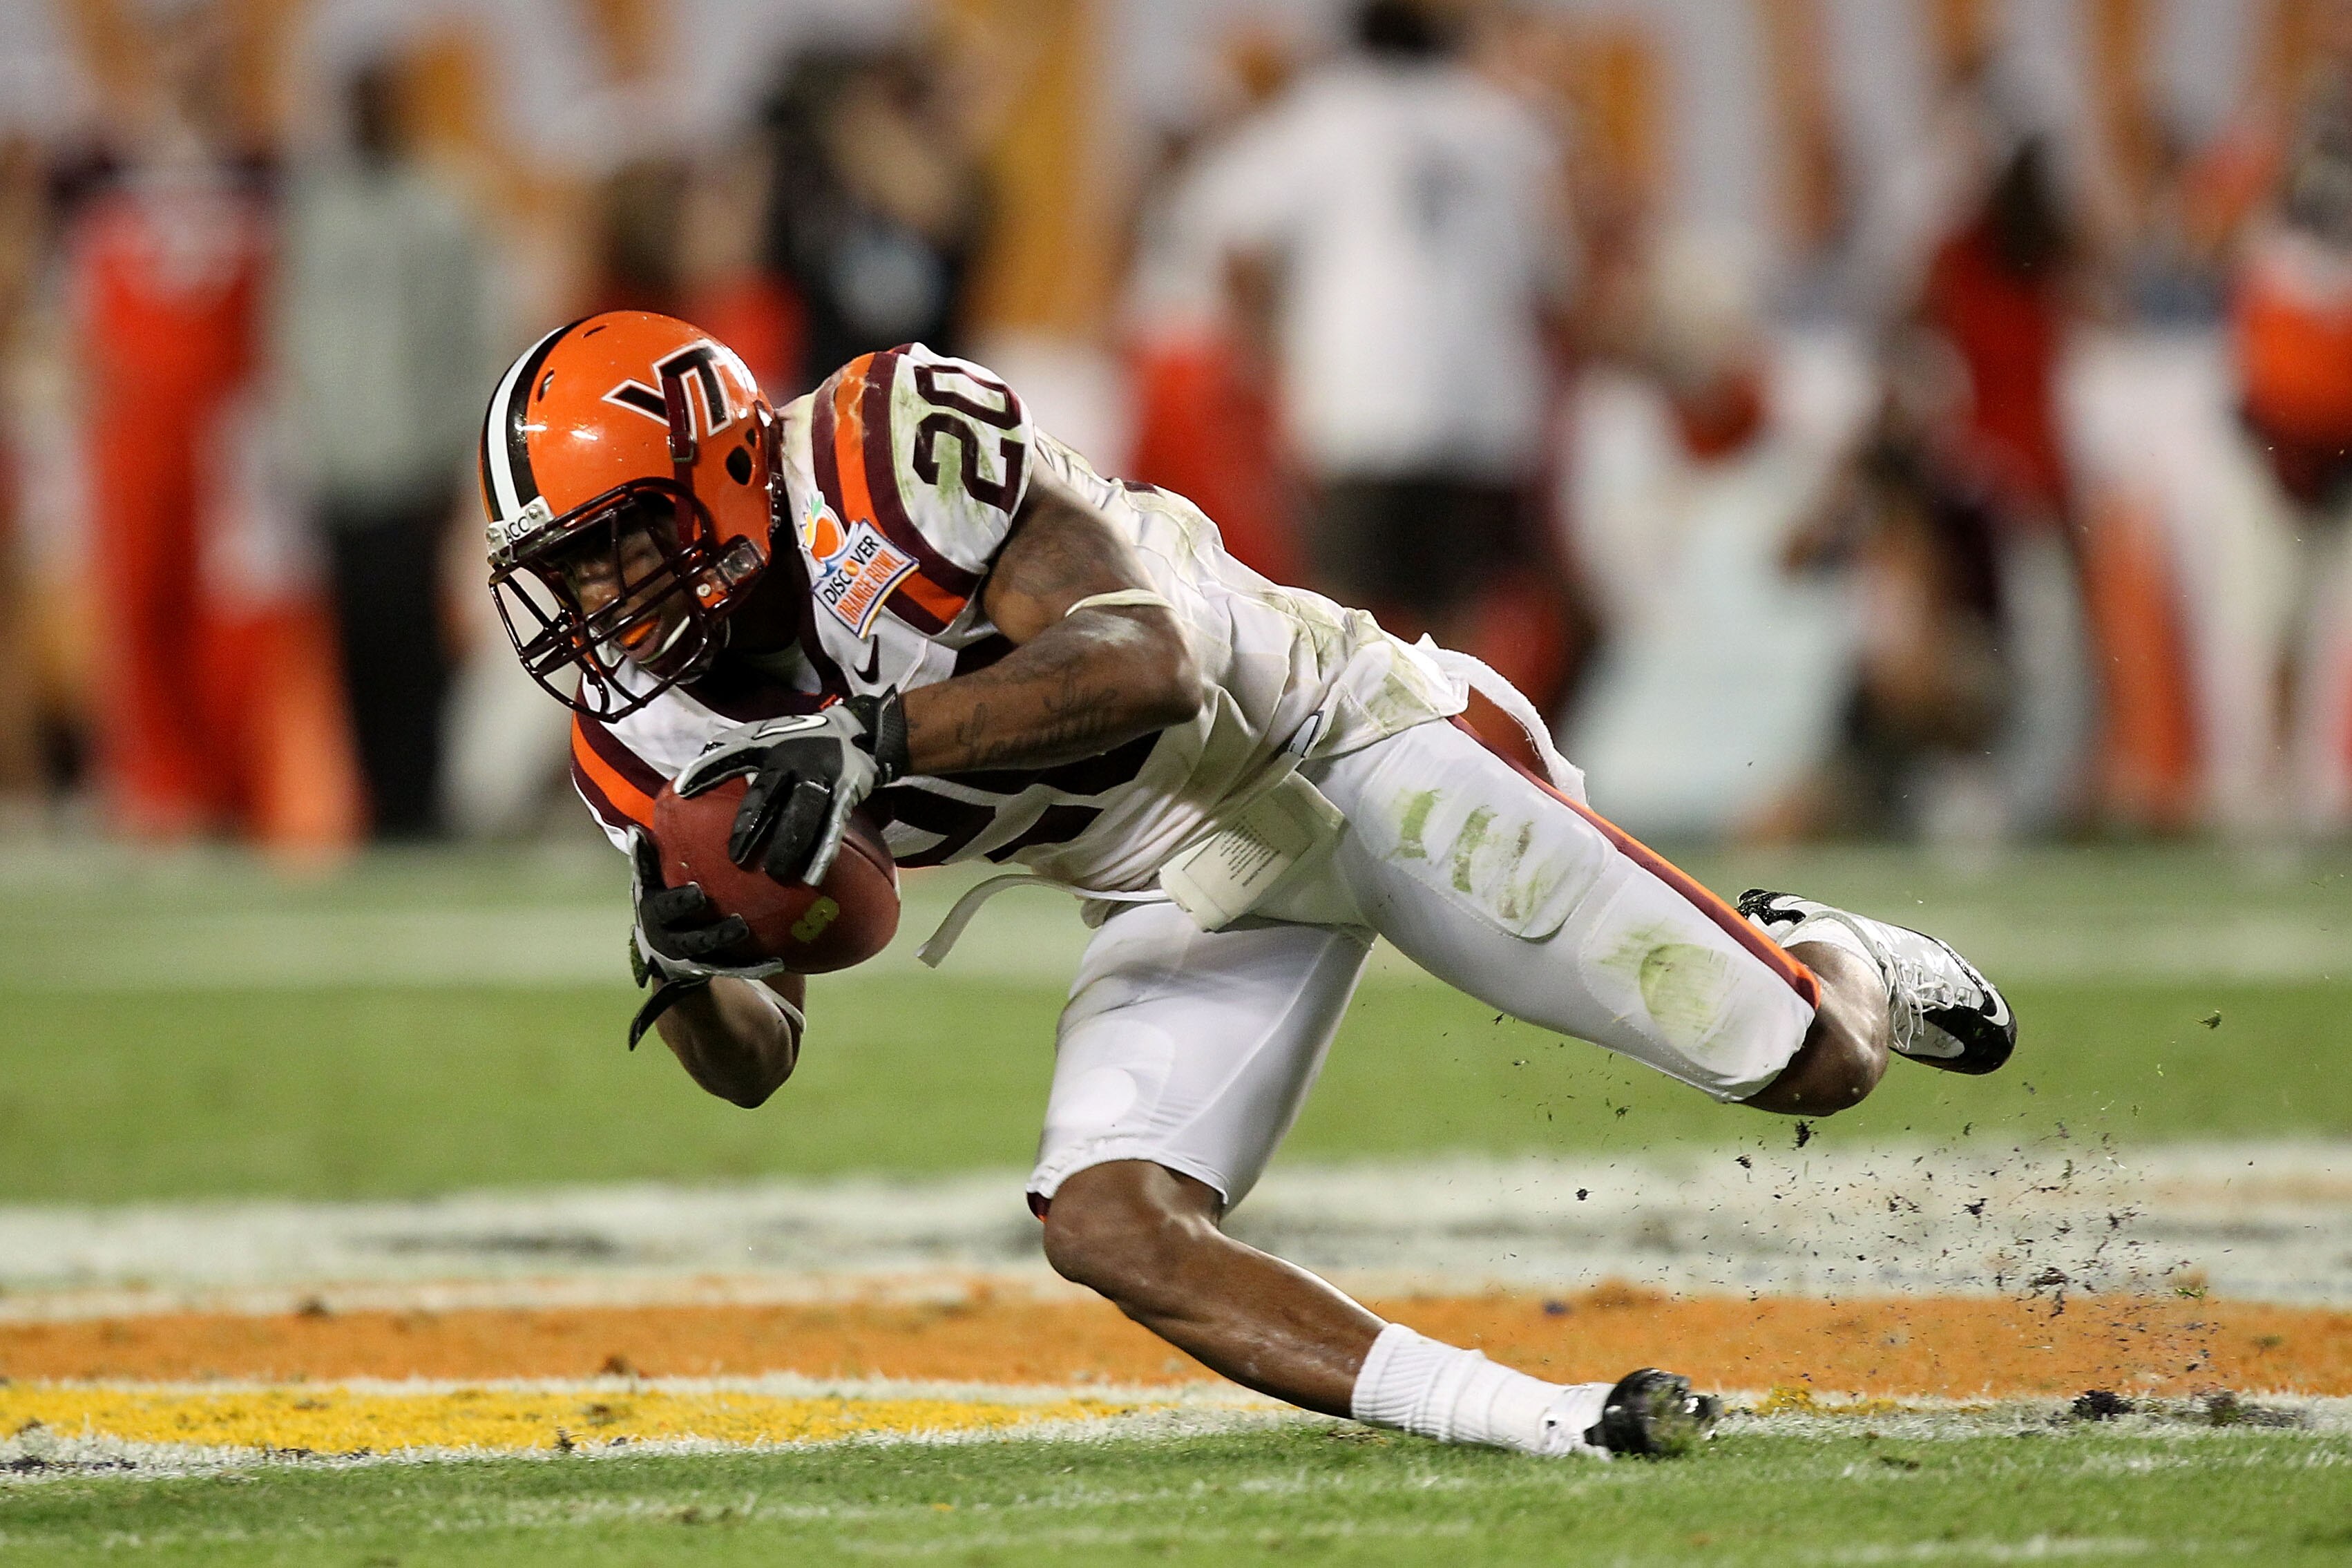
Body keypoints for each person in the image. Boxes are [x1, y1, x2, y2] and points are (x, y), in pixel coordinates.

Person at [479, 312, 2018, 1460]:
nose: (599, 602)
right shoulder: (641, 734)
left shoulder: (874, 458)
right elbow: (762, 1056)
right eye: (568, 573)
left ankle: (1823, 948)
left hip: (1340, 748)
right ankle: (1548, 1424)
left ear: (725, 471)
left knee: (1815, 1060)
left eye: (618, 546)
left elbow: (1151, 660)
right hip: (1177, 885)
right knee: (1105, 1221)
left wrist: (871, 742)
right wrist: (687, 964)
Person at [277, 59, 490, 837]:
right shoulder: (315, 211)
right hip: (337, 464)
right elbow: (289, 332)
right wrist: (298, 439)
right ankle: (374, 800)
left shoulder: (440, 207)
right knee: (356, 644)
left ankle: (423, 801)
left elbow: (470, 336)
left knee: (419, 644)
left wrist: (456, 449)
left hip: (414, 465)